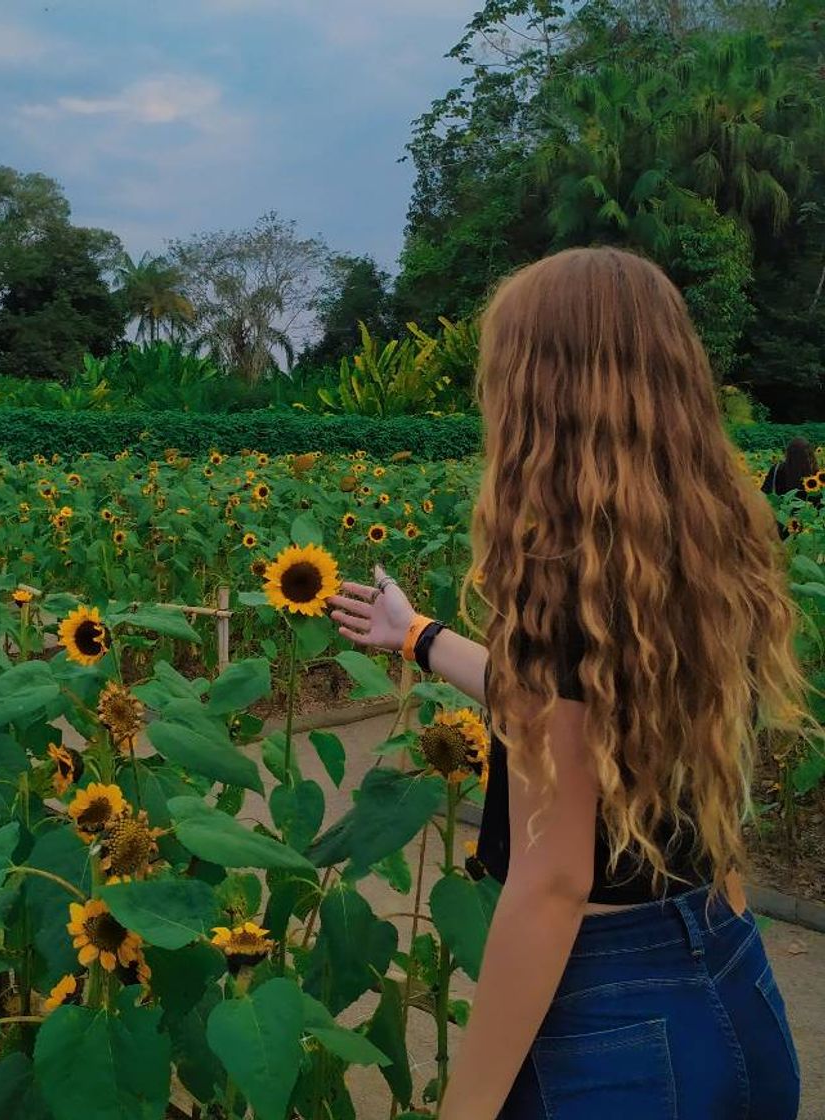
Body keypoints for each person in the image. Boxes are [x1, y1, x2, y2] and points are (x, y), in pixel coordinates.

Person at [327, 247, 816, 1119]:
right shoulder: (714, 546)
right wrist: (419, 637)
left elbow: (554, 884)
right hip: (732, 976)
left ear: (541, 396)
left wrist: (467, 1107)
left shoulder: (561, 573)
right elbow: (573, 716)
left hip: (615, 1024)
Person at [761, 437, 821, 539]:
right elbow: (820, 505)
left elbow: (764, 494)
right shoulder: (816, 477)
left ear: (788, 453)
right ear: (810, 454)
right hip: (808, 530)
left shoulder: (776, 469)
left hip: (780, 524)